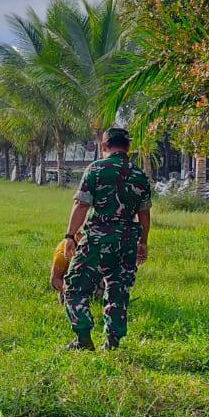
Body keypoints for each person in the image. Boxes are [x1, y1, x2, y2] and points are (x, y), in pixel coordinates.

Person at [61, 127, 152, 351]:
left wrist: (70, 235)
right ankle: (112, 342)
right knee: (118, 289)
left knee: (74, 285)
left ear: (104, 146)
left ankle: (83, 338)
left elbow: (82, 205)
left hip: (98, 239)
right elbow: (144, 214)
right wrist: (143, 242)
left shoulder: (96, 169)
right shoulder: (139, 175)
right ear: (128, 147)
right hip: (127, 242)